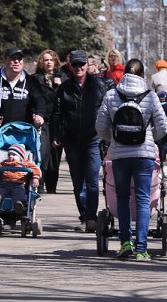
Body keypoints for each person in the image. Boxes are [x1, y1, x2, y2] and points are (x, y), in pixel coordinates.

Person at [96, 58, 167, 261]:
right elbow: (163, 126)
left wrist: (115, 139)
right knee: (143, 199)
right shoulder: (151, 96)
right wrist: (149, 137)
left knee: (122, 198)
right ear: (143, 75)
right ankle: (141, 248)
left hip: (119, 155)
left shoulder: (111, 95)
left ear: (125, 73)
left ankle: (125, 243)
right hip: (144, 154)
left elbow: (100, 126)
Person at [51, 49, 114, 232]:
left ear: (88, 65)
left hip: (93, 139)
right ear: (70, 66)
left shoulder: (99, 86)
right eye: (75, 64)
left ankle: (91, 218)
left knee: (92, 180)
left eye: (82, 64)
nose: (79, 68)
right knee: (78, 182)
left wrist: (108, 135)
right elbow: (56, 114)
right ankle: (85, 215)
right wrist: (56, 135)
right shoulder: (64, 88)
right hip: (71, 140)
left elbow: (109, 110)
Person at [0, 47, 46, 140]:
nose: (17, 62)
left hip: (25, 134)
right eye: (13, 58)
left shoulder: (31, 81)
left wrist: (40, 114)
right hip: (0, 133)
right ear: (5, 59)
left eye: (19, 59)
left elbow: (40, 100)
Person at [32, 49, 67, 194]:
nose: (48, 62)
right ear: (41, 62)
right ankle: (39, 183)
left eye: (51, 60)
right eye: (45, 60)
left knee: (55, 155)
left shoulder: (63, 77)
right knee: (42, 152)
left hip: (58, 121)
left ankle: (52, 186)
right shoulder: (35, 78)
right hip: (43, 120)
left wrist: (60, 86)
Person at [0, 144, 41, 215]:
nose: (10, 156)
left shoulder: (25, 164)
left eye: (14, 155)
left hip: (19, 185)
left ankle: (20, 205)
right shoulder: (5, 163)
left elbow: (36, 169)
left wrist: (35, 178)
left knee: (19, 194)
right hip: (5, 184)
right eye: (9, 155)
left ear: (21, 156)